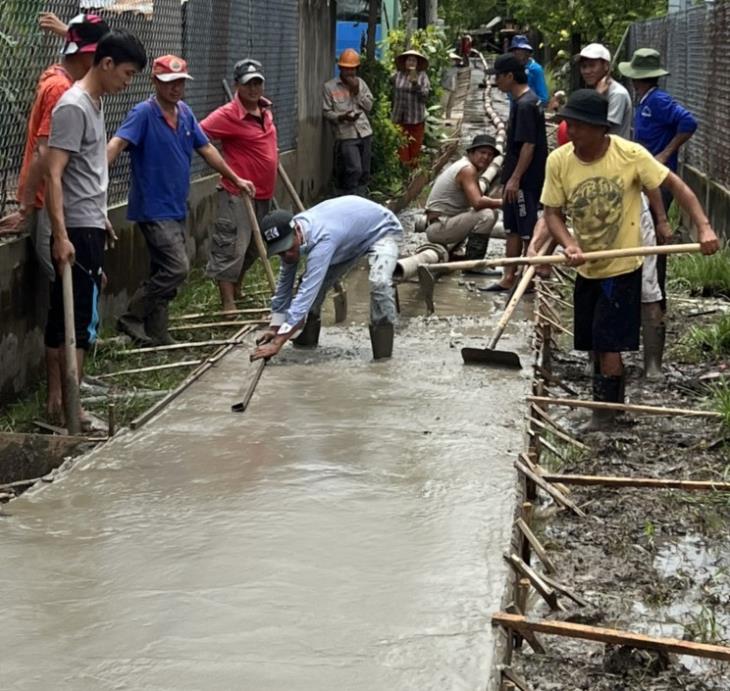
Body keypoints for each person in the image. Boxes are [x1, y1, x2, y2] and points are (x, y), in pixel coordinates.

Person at [537, 90, 718, 428]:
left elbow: (678, 186)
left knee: (608, 342)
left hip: (622, 266)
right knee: (592, 340)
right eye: (567, 125)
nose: (570, 132)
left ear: (598, 128)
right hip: (587, 264)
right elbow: (552, 214)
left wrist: (705, 227)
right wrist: (569, 243)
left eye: (576, 126)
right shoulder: (559, 160)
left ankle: (604, 416)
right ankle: (613, 406)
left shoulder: (630, 155)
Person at [3, 14, 110, 423]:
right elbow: (45, 159)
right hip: (59, 208)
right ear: (92, 56)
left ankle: (70, 390)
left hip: (75, 207)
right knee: (69, 299)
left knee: (79, 297)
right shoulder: (62, 92)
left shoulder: (70, 85)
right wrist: (29, 207)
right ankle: (61, 400)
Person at [107, 55, 255, 346]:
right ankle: (131, 316)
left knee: (161, 269)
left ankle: (157, 333)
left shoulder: (185, 113)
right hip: (152, 208)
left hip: (177, 205)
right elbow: (118, 143)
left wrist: (235, 177)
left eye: (179, 83)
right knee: (178, 267)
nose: (175, 88)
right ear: (155, 82)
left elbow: (207, 148)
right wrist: (96, 171)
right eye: (168, 82)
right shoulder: (143, 113)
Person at [45, 30, 147, 430]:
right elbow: (54, 174)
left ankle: (60, 399)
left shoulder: (94, 103)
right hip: (76, 228)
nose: (127, 82)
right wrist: (61, 234)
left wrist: (100, 212)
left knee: (64, 315)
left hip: (88, 221)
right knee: (81, 320)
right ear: (105, 64)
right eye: (126, 73)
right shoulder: (73, 106)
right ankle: (74, 404)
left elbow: (86, 171)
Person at [619, 47, 699, 377]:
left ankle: (654, 305)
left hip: (659, 181)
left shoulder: (659, 102)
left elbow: (689, 122)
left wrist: (665, 152)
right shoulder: (644, 102)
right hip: (644, 177)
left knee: (654, 246)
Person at [251, 197, 402, 362]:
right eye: (280, 252)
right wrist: (275, 327)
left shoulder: (323, 239)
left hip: (382, 230)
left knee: (379, 282)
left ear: (298, 231)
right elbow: (284, 287)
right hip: (348, 239)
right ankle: (305, 348)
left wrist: (278, 342)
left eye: (289, 248)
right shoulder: (292, 239)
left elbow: (305, 296)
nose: (287, 255)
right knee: (309, 286)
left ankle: (383, 358)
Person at [200, 58, 277, 313]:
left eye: (257, 83)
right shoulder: (228, 115)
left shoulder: (265, 110)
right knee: (232, 247)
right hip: (238, 194)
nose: (254, 89)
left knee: (257, 248)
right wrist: (231, 173)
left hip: (264, 193)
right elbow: (200, 135)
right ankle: (227, 303)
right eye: (248, 84)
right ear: (237, 86)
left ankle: (238, 288)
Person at [487, 53, 547, 292]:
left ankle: (526, 279)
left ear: (510, 76)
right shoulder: (525, 101)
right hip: (517, 177)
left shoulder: (525, 105)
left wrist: (515, 178)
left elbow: (528, 145)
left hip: (524, 180)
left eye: (498, 77)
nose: (496, 83)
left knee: (525, 229)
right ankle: (509, 277)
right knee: (512, 228)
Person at [423, 134, 502, 261]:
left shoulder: (469, 167)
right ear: (471, 152)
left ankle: (461, 250)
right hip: (439, 228)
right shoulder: (467, 169)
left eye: (490, 154)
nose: (486, 157)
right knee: (487, 214)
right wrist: (503, 202)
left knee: (490, 212)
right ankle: (474, 263)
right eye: (482, 152)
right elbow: (477, 202)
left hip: (442, 224)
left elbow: (479, 198)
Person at [323, 49, 374, 195]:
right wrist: (342, 117)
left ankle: (362, 200)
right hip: (346, 135)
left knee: (364, 171)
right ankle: (349, 199)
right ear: (340, 68)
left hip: (364, 132)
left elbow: (369, 106)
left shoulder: (361, 84)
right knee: (354, 169)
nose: (350, 73)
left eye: (352, 69)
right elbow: (326, 112)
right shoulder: (330, 87)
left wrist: (357, 91)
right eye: (346, 69)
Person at [577, 43, 632, 139]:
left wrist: (597, 96)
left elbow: (600, 129)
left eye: (592, 65)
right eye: (584, 66)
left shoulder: (617, 94)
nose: (587, 71)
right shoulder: (596, 91)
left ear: (606, 66)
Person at [391, 49, 431, 166]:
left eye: (414, 60)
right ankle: (403, 174)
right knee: (401, 148)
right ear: (405, 62)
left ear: (418, 63)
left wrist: (415, 84)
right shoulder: (398, 75)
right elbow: (391, 88)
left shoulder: (422, 76)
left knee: (414, 149)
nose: (411, 62)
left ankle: (413, 176)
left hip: (415, 119)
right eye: (409, 60)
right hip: (399, 117)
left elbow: (424, 97)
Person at [509, 35, 548, 105]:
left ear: (527, 52)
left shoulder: (535, 69)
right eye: (515, 51)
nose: (517, 54)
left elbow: (543, 98)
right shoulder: (512, 68)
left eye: (520, 51)